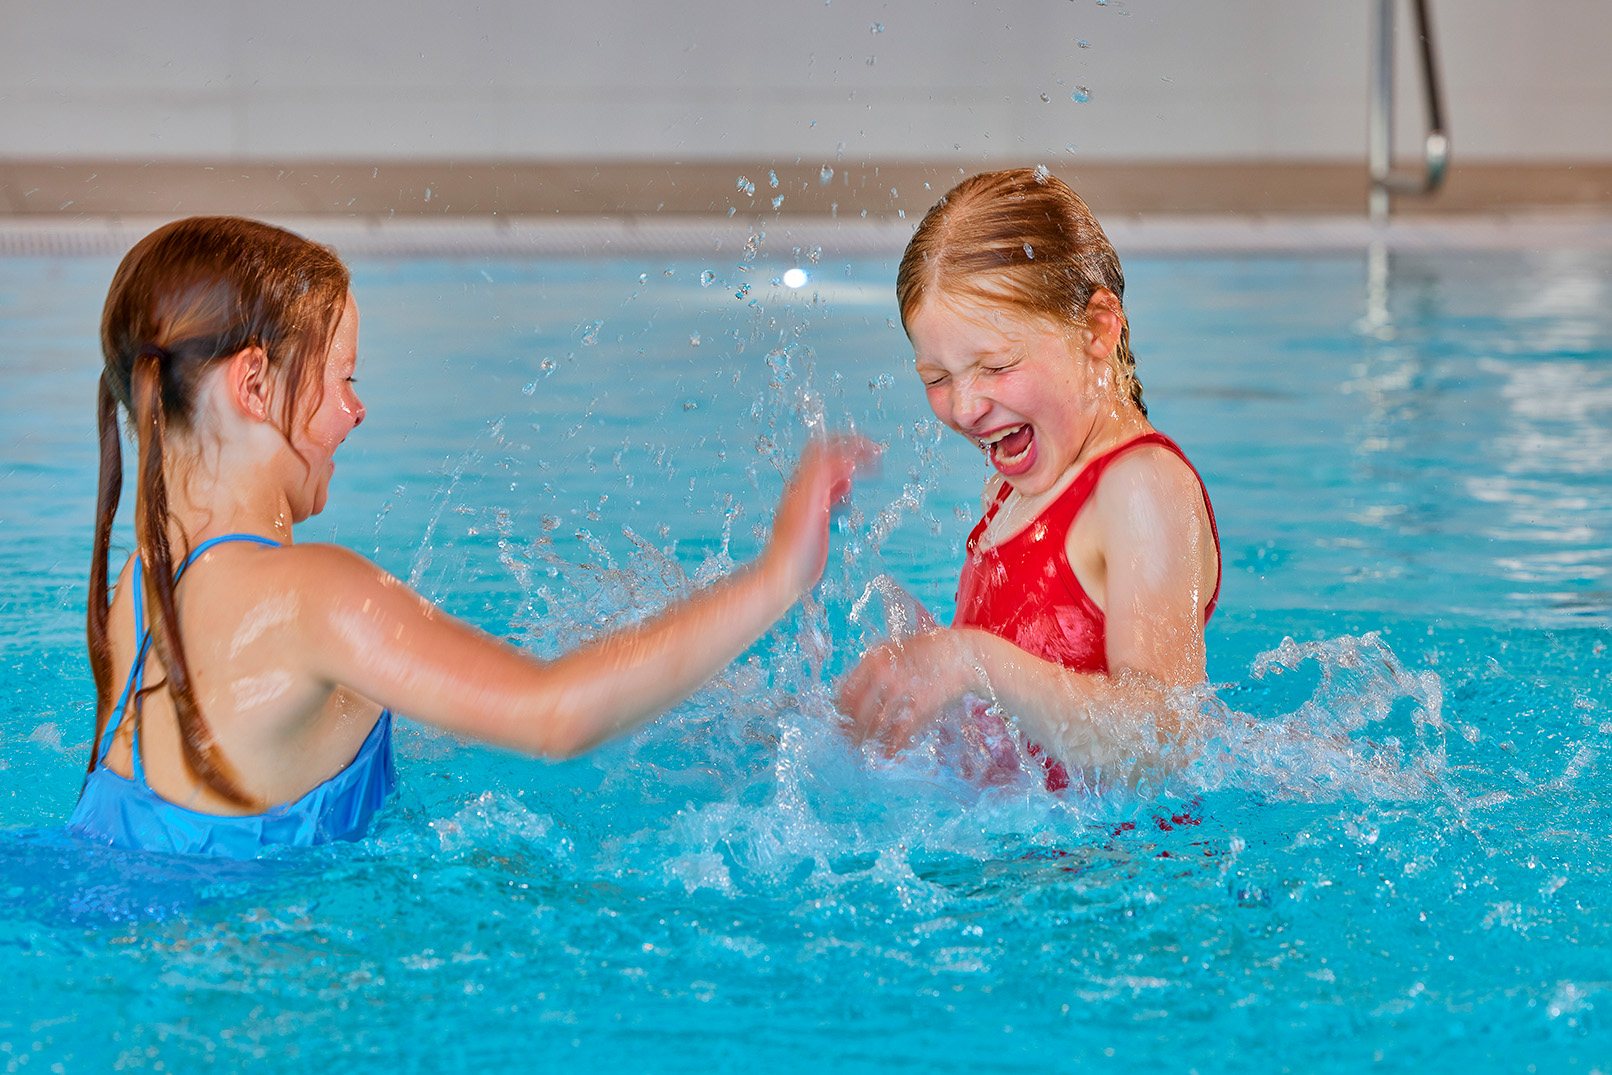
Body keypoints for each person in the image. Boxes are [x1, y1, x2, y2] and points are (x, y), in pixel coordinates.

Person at [72, 215, 873, 857]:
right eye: (343, 377)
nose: (355, 412)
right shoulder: (309, 596)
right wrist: (776, 575)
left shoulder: (142, 582)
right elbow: (553, 714)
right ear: (252, 383)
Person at [837, 168, 1221, 790]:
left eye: (996, 365)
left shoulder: (1141, 487)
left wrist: (973, 660)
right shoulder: (1019, 484)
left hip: (1125, 877)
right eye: (936, 377)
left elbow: (1162, 739)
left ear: (1098, 329)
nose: (963, 408)